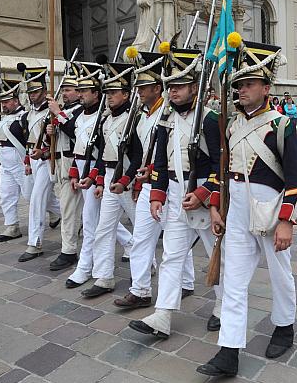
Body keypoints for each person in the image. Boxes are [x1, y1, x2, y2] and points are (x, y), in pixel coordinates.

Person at [197, 36, 297, 377]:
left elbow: (296, 180)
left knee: (280, 273)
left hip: (269, 208)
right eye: (238, 83)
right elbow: (222, 171)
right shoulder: (230, 124)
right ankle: (228, 350)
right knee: (233, 279)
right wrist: (216, 205)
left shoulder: (282, 125)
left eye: (248, 83)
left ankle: (284, 325)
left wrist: (287, 222)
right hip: (236, 208)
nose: (241, 89)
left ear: (266, 85)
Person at [129, 44, 223, 338]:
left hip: (204, 198)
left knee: (217, 254)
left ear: (194, 87)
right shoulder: (165, 120)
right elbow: (159, 160)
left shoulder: (209, 119)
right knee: (171, 255)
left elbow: (220, 164)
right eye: (170, 87)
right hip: (173, 192)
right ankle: (162, 315)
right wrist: (157, 193)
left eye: (180, 86)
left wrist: (205, 194)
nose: (174, 92)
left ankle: (222, 305)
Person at [113, 49, 196, 309]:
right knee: (141, 238)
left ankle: (186, 282)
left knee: (177, 238)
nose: (139, 91)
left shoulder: (168, 114)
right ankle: (140, 290)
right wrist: (129, 180)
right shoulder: (140, 116)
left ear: (156, 88)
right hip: (151, 184)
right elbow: (139, 155)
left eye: (145, 86)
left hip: (177, 181)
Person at [62, 61, 132, 289]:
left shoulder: (103, 118)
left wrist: (95, 177)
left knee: (94, 222)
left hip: (105, 172)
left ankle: (86, 267)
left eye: (84, 91)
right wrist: (75, 172)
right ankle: (99, 270)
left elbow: (100, 154)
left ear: (95, 92)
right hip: (90, 171)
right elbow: (79, 148)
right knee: (98, 223)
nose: (80, 95)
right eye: (79, 91)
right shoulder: (80, 117)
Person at [80, 61, 142, 298]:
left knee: (143, 230)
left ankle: (146, 271)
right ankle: (104, 276)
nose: (109, 97)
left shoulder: (132, 119)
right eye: (107, 93)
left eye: (114, 93)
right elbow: (103, 154)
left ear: (126, 94)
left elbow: (137, 155)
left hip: (126, 179)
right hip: (109, 178)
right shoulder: (106, 120)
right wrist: (94, 178)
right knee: (104, 228)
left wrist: (126, 180)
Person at [18, 66, 62, 262]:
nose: (33, 96)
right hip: (34, 160)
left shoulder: (52, 112)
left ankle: (35, 243)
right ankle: (73, 218)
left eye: (36, 92)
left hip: (48, 161)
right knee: (46, 200)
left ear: (45, 91)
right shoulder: (29, 114)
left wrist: (43, 152)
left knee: (37, 199)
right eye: (30, 92)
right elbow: (28, 139)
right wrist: (28, 160)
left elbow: (58, 140)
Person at [45, 63, 85, 271]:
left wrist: (58, 114)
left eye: (68, 90)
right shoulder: (67, 110)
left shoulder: (81, 111)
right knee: (79, 212)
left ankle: (68, 251)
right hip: (61, 164)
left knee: (69, 211)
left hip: (74, 165)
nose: (64, 93)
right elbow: (58, 134)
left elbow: (75, 132)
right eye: (64, 90)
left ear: (79, 92)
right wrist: (51, 131)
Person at [0, 77, 30, 243]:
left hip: (20, 161)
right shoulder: (3, 118)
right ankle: (12, 226)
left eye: (7, 102)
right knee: (6, 195)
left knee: (31, 196)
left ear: (16, 100)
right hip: (5, 163)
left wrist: (28, 161)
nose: (4, 105)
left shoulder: (25, 117)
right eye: (2, 102)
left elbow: (29, 140)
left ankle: (57, 213)